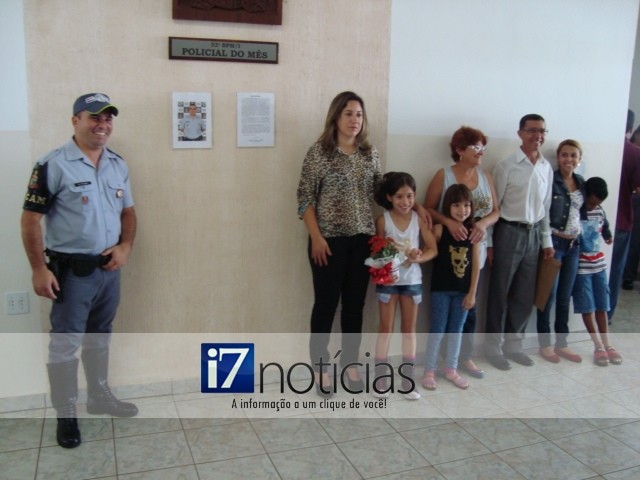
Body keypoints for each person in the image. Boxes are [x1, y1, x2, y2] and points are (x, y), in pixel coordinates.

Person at [21, 93, 138, 449]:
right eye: (94, 118)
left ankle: (99, 396)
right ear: (76, 121)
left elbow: (128, 212)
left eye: (108, 118)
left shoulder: (117, 164)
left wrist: (125, 246)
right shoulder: (53, 164)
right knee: (66, 343)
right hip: (72, 274)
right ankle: (66, 412)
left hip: (108, 270)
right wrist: (39, 269)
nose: (102, 125)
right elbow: (30, 220)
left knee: (100, 334)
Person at [296, 91, 382, 398]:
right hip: (328, 242)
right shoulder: (319, 153)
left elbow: (381, 194)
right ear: (335, 117)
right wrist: (316, 237)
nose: (354, 120)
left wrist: (416, 209)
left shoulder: (369, 154)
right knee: (325, 306)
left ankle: (350, 365)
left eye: (359, 114)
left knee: (355, 307)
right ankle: (320, 369)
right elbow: (304, 198)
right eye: (348, 113)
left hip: (362, 242)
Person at [423, 126, 499, 379]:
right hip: (449, 249)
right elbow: (427, 209)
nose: (481, 152)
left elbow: (496, 211)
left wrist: (482, 224)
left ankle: (461, 359)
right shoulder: (443, 175)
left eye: (483, 148)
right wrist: (449, 223)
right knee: (444, 313)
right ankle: (437, 363)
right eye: (476, 147)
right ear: (459, 149)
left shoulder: (486, 176)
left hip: (477, 247)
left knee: (469, 306)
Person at [484, 114, 554, 371]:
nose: (538, 136)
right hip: (508, 232)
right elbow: (494, 208)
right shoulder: (506, 166)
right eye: (532, 130)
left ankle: (514, 346)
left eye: (542, 131)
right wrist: (490, 243)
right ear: (520, 133)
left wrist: (546, 241)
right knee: (500, 292)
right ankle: (493, 347)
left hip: (534, 234)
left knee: (524, 294)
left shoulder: (546, 167)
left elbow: (545, 208)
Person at [371, 172, 437, 400]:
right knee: (385, 329)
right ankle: (381, 379)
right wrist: (386, 260)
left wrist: (418, 257)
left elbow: (432, 249)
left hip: (412, 282)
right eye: (399, 196)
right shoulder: (383, 221)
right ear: (389, 197)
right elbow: (376, 252)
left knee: (409, 331)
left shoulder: (419, 220)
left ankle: (408, 380)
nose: (405, 201)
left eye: (409, 196)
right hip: (387, 283)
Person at [422, 184, 480, 391]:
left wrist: (472, 293)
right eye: (456, 205)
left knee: (457, 330)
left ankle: (451, 369)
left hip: (463, 292)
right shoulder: (440, 229)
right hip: (441, 289)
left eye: (466, 205)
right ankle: (429, 370)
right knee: (437, 329)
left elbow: (476, 266)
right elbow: (428, 248)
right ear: (447, 206)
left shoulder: (474, 233)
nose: (462, 210)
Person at [536, 139, 585, 364]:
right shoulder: (551, 180)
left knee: (565, 297)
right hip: (554, 245)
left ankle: (562, 343)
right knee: (548, 296)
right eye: (564, 155)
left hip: (574, 246)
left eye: (573, 155)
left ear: (579, 159)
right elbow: (544, 213)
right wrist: (547, 242)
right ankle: (545, 344)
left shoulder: (581, 182)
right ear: (558, 158)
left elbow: (584, 213)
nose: (569, 159)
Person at [573, 177, 622, 366]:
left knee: (603, 304)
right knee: (587, 306)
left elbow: (605, 226)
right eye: (592, 202)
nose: (594, 206)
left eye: (598, 203)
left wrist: (608, 236)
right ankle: (598, 346)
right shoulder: (577, 212)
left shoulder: (599, 211)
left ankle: (608, 344)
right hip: (582, 267)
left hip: (599, 265)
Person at [608, 110, 640, 321]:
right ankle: (606, 314)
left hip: (592, 220)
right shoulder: (635, 153)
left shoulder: (602, 149)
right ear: (630, 128)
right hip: (621, 220)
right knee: (614, 270)